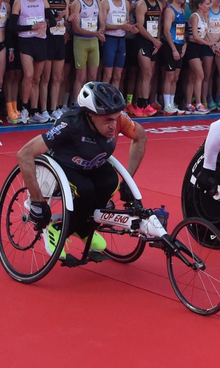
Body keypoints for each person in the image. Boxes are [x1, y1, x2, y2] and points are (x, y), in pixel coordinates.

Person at [15, 81, 146, 261]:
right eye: (107, 120)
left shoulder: (119, 120)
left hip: (93, 166)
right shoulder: (70, 126)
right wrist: (37, 201)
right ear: (90, 115)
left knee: (111, 182)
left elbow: (140, 136)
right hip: (64, 166)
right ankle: (58, 230)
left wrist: (128, 179)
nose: (113, 126)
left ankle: (84, 229)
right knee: (85, 191)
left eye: (116, 118)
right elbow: (25, 153)